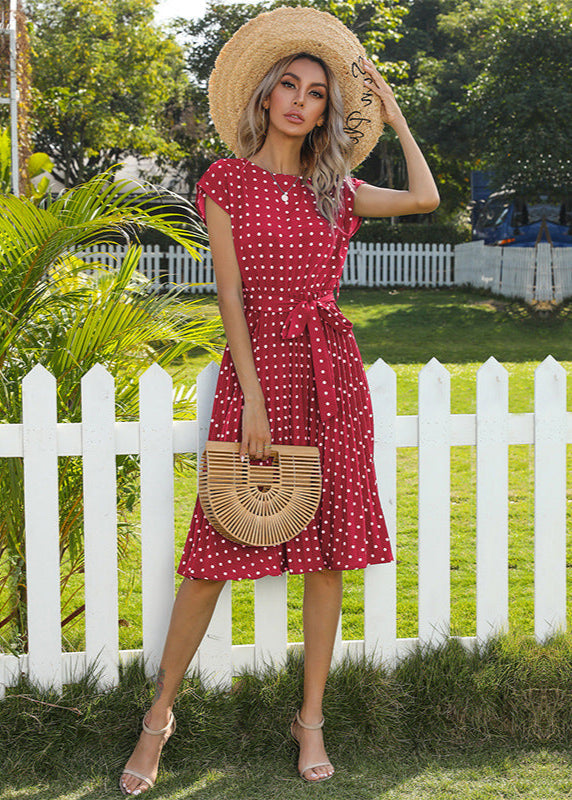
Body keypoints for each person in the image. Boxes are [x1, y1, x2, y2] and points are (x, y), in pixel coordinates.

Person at [119, 6, 439, 795]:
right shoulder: (225, 181)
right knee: (211, 555)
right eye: (289, 86)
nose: (300, 101)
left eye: (316, 93)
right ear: (265, 95)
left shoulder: (339, 190)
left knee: (328, 559)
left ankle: (311, 720)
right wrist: (254, 402)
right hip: (258, 373)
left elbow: (425, 198)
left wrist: (394, 118)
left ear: (328, 112)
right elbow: (229, 296)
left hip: (331, 377)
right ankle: (158, 717)